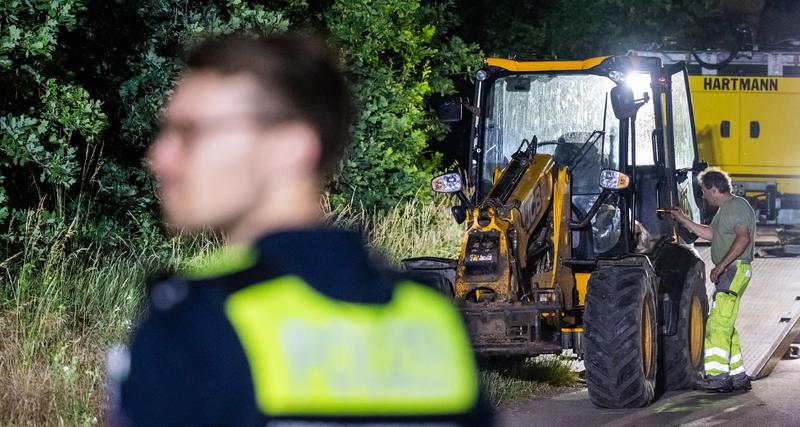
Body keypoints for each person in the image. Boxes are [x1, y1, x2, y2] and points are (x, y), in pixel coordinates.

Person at [108, 32, 492, 426]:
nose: (159, 156)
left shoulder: (195, 326)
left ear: (289, 146)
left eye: (191, 132)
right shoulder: (430, 322)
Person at [668, 167, 756, 393]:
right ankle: (738, 377)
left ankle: (718, 378)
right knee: (726, 326)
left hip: (734, 271)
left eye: (703, 190)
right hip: (732, 271)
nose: (702, 195)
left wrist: (722, 265)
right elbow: (710, 234)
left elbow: (743, 238)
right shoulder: (725, 209)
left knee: (716, 325)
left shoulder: (736, 207)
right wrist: (683, 219)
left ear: (714, 188)